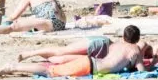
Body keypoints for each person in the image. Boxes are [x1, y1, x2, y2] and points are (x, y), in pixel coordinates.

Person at [0, 25, 145, 78]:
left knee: (57, 61)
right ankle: (13, 67)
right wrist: (153, 62)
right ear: (138, 39)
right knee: (50, 71)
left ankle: (17, 65)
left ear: (123, 36)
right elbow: (141, 71)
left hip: (91, 61)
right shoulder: (135, 49)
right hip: (89, 66)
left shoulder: (118, 44)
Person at [15, 26, 143, 62]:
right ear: (137, 40)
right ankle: (29, 54)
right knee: (62, 52)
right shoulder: (131, 47)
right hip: (99, 46)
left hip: (100, 40)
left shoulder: (121, 42)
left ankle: (34, 55)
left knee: (63, 52)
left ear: (122, 36)